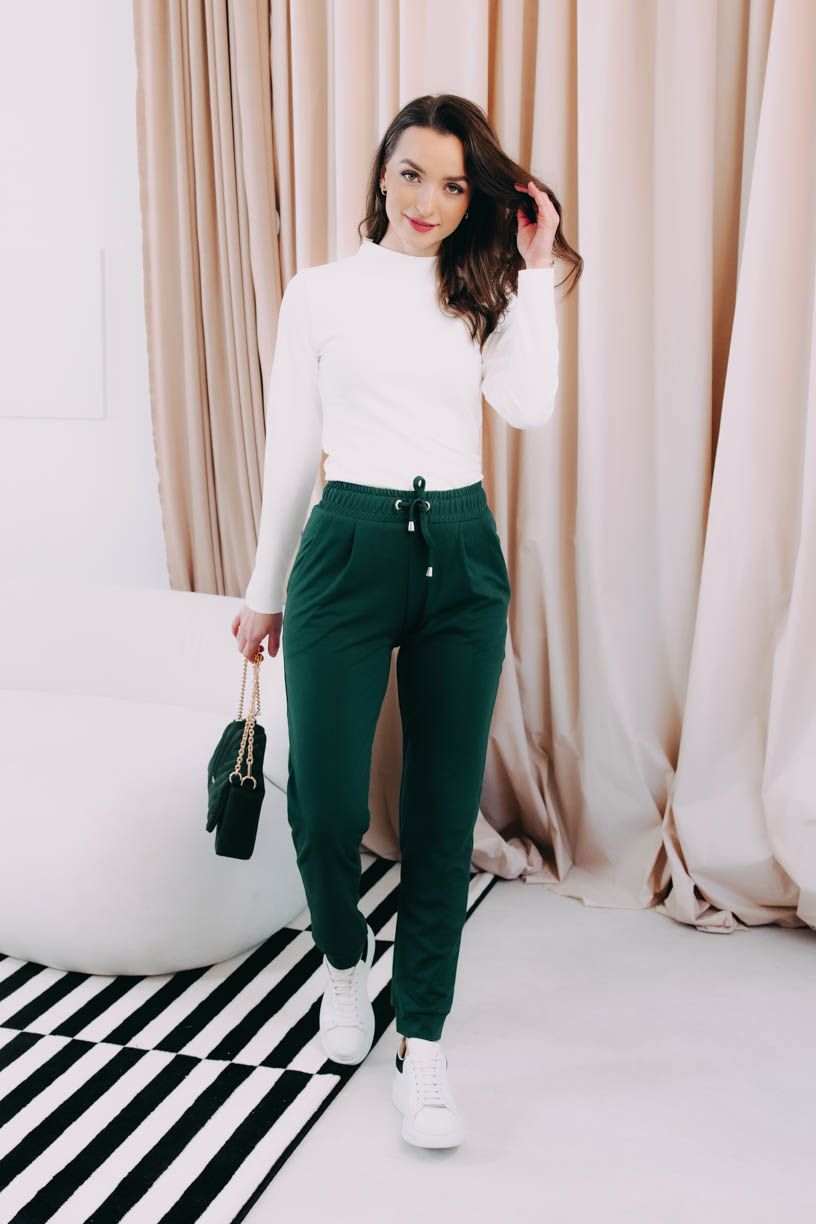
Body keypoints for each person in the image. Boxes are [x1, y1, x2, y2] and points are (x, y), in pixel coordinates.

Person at [231, 93, 579, 1150]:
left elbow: (530, 406)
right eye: (413, 173)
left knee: (440, 815)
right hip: (346, 545)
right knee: (326, 807)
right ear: (383, 171)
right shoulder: (320, 293)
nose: (428, 201)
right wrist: (263, 589)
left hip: (460, 555)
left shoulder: (482, 289)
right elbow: (290, 447)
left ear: (475, 199)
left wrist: (536, 269)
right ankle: (345, 963)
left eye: (454, 185)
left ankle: (421, 1040)